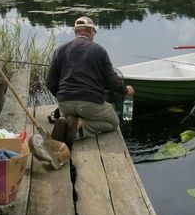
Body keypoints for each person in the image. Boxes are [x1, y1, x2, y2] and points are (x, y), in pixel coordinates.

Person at [46, 16, 134, 147]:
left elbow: (50, 82)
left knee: (81, 111)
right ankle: (80, 127)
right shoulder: (99, 50)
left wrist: (62, 97)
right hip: (89, 104)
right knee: (113, 123)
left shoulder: (60, 50)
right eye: (94, 32)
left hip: (65, 105)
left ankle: (69, 123)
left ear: (76, 32)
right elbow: (112, 82)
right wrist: (125, 90)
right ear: (91, 31)